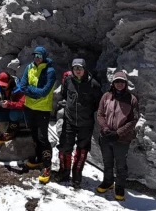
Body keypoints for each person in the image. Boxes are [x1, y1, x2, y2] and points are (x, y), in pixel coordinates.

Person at [51, 58, 102, 188]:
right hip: (69, 120)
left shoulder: (94, 84)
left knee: (82, 149)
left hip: (86, 123)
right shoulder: (68, 80)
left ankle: (77, 175)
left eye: (80, 68)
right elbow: (64, 94)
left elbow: (98, 103)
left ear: (85, 69)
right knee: (64, 147)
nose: (78, 71)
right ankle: (64, 172)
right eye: (75, 68)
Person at [96, 70, 140, 201]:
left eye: (122, 82)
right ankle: (108, 182)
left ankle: (120, 187)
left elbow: (133, 120)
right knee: (107, 162)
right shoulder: (106, 96)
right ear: (113, 83)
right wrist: (105, 128)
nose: (119, 84)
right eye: (117, 82)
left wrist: (118, 133)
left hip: (122, 139)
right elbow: (100, 114)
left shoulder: (132, 99)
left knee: (120, 165)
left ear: (126, 83)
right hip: (106, 136)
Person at [21, 46, 56, 183]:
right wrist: (34, 92)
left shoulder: (50, 71)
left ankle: (47, 166)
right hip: (29, 107)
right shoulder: (29, 67)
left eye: (39, 56)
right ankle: (38, 159)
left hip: (42, 109)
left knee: (43, 137)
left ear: (44, 57)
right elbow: (23, 86)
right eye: (35, 55)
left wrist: (31, 92)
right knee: (33, 134)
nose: (37, 58)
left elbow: (44, 92)